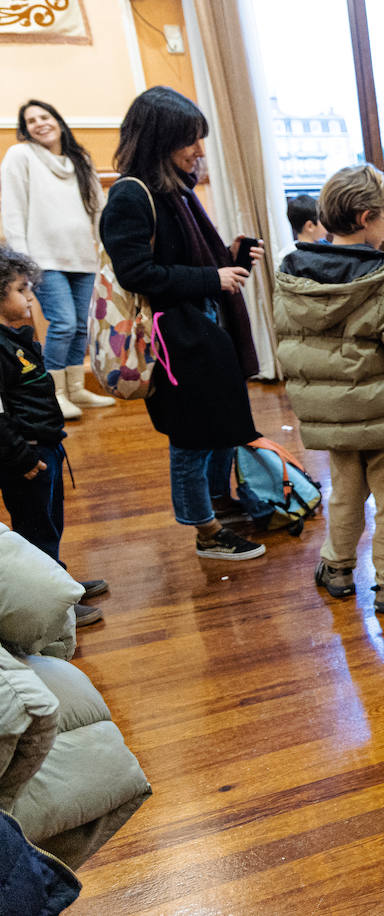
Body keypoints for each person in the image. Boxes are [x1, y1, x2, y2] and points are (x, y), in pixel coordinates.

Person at [99, 86, 266, 561]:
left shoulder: (177, 192)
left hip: (201, 330)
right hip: (173, 340)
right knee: (191, 436)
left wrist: (229, 261)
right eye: (188, 140)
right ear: (158, 140)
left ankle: (218, 505)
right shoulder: (131, 196)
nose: (198, 150)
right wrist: (212, 275)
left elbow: (187, 265)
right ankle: (206, 531)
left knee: (220, 424)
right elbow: (138, 273)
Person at [274, 164, 384, 614]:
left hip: (332, 415)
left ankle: (336, 565)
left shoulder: (293, 275)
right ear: (365, 218)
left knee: (345, 492)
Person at [0, 246, 104, 625]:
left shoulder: (17, 338)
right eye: (22, 289)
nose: (30, 297)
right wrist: (21, 457)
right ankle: (54, 608)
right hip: (25, 457)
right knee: (34, 529)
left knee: (51, 520)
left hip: (45, 446)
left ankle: (59, 581)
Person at [1, 99, 114, 420]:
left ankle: (76, 387)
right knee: (63, 323)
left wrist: (106, 252)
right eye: (31, 120)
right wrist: (22, 263)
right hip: (43, 260)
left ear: (58, 120)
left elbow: (98, 210)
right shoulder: (21, 156)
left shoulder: (80, 160)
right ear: (26, 130)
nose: (39, 123)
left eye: (44, 116)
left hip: (82, 258)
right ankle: (54, 393)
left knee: (81, 326)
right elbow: (12, 208)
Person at [277, 193, 328, 265]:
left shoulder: (283, 254)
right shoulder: (287, 257)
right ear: (310, 226)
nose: (327, 224)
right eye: (323, 220)